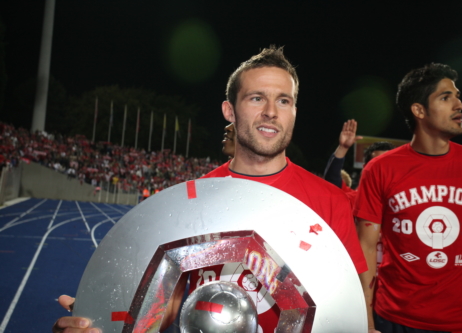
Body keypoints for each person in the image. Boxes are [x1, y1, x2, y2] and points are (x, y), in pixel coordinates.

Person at [53, 46, 367, 333]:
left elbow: (346, 306)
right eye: (257, 98)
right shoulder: (197, 198)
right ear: (229, 111)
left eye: (283, 100)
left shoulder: (330, 202)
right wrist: (100, 321)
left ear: (294, 111)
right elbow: (160, 306)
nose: (271, 111)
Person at [354, 63, 462, 333]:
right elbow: (366, 246)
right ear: (419, 110)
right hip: (397, 320)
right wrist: (366, 317)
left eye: (456, 95)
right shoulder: (381, 168)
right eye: (446, 97)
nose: (459, 104)